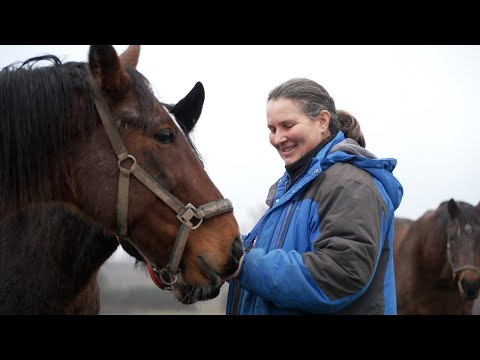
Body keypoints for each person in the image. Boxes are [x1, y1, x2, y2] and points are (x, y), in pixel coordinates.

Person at [226, 78, 403, 315]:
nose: (278, 138)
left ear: (322, 121)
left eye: (287, 125)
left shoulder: (351, 185)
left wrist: (244, 265)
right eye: (272, 129)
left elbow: (340, 274)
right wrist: (216, 249)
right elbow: (267, 255)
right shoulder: (294, 187)